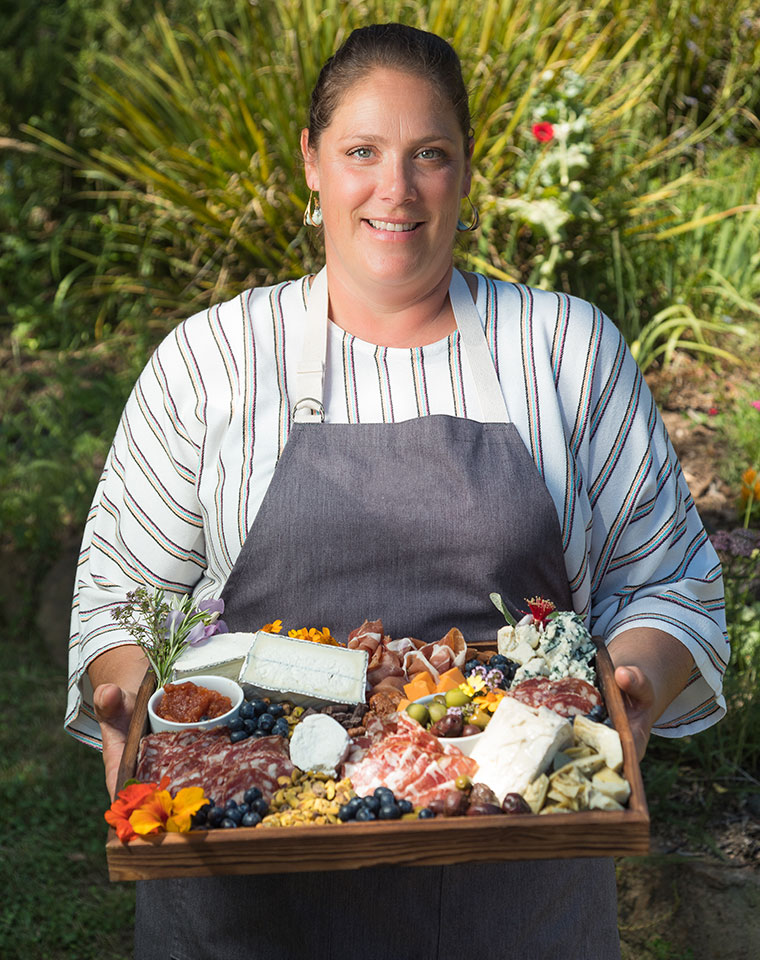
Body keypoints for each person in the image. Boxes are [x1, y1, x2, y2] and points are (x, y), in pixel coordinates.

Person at [66, 22, 728, 960]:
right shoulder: (213, 360)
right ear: (311, 161)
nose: (397, 188)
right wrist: (136, 704)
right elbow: (120, 595)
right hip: (246, 880)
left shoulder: (565, 350)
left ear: (466, 169)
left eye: (430, 155)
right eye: (362, 152)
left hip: (515, 883)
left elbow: (669, 582)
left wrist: (633, 689)